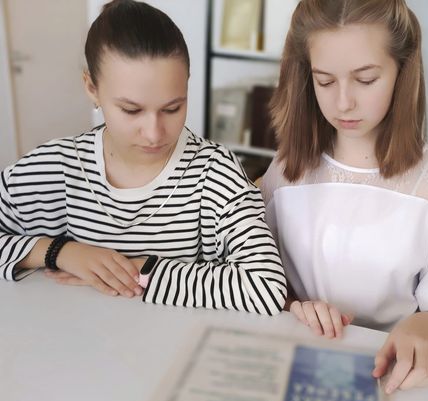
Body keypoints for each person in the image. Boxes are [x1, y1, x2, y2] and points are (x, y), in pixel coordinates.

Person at [0, 0, 286, 315]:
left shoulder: (216, 173)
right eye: (131, 110)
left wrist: (141, 270)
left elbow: (267, 287)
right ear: (92, 88)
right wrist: (57, 251)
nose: (153, 133)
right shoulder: (56, 168)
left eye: (172, 108)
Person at [261, 0, 428, 391]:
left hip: (391, 374)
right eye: (324, 81)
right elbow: (256, 277)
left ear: (403, 70)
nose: (343, 102)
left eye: (366, 80)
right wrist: (293, 307)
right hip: (295, 363)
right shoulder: (286, 171)